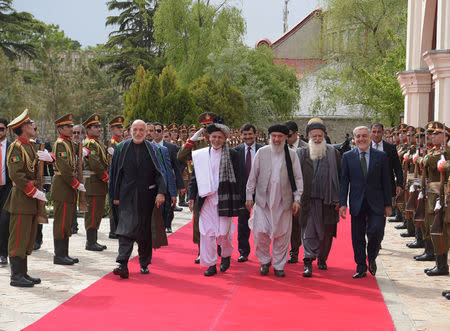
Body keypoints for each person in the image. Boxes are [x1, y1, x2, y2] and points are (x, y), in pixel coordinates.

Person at [109, 120, 167, 278]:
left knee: (144, 232)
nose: (139, 133)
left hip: (147, 196)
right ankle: (122, 264)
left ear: (147, 131)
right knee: (125, 230)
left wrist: (161, 192)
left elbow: (160, 172)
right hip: (126, 196)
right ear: (130, 131)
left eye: (142, 130)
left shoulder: (153, 149)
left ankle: (144, 263)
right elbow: (115, 174)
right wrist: (114, 196)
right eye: (135, 129)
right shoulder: (121, 148)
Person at [246, 124, 303, 277]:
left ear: (285, 138)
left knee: (283, 235)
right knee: (259, 233)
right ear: (270, 137)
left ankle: (279, 265)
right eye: (274, 136)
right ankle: (265, 261)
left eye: (280, 137)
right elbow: (253, 177)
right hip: (263, 202)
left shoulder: (292, 155)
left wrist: (297, 199)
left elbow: (298, 178)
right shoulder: (262, 152)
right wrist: (248, 196)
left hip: (283, 203)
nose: (276, 139)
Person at [188, 119, 240, 276]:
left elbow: (240, 177)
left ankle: (225, 255)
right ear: (209, 138)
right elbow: (194, 178)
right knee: (207, 234)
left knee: (223, 233)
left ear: (225, 138)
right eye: (213, 137)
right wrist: (191, 197)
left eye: (219, 137)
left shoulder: (233, 154)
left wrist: (243, 198)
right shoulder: (201, 155)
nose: (216, 140)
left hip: (225, 199)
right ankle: (211, 264)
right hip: (206, 200)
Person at [4, 109, 48, 287]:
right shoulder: (16, 147)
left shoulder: (30, 145)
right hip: (22, 198)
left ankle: (23, 272)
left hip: (30, 199)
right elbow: (17, 175)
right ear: (22, 128)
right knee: (19, 238)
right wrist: (33, 191)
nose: (33, 126)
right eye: (30, 124)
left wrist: (49, 157)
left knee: (28, 237)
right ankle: (16, 276)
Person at [340, 126, 391, 279]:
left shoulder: (381, 156)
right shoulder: (347, 157)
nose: (361, 139)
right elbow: (344, 182)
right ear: (353, 139)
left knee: (376, 231)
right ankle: (361, 266)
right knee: (357, 236)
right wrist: (343, 203)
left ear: (369, 137)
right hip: (357, 202)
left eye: (364, 136)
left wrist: (388, 204)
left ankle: (372, 256)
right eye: (358, 136)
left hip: (377, 202)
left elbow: (386, 182)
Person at [297, 119, 341, 277]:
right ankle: (307, 262)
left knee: (326, 233)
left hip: (328, 200)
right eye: (313, 136)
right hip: (308, 201)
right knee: (308, 232)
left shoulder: (333, 153)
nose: (316, 139)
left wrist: (339, 199)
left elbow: (340, 177)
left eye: (319, 136)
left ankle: (322, 259)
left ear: (325, 136)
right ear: (308, 136)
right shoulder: (301, 153)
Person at [178, 114, 213, 263]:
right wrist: (192, 139)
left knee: (216, 220)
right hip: (200, 185)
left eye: (209, 127)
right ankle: (201, 250)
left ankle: (216, 248)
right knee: (199, 219)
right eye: (204, 128)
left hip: (217, 185)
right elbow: (181, 156)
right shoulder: (198, 143)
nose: (207, 130)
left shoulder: (220, 140)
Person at [51, 114, 85, 265]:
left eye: (72, 126)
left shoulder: (69, 142)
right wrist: (76, 183)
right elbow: (64, 168)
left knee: (68, 220)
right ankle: (59, 255)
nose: (72, 129)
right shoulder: (60, 144)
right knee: (61, 221)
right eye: (68, 127)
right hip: (63, 185)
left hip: (69, 185)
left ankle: (64, 253)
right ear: (60, 128)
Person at [232, 123, 263, 262]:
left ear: (255, 134)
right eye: (245, 134)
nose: (248, 137)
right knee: (243, 224)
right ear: (241, 135)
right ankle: (243, 251)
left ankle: (262, 252)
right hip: (241, 194)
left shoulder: (263, 150)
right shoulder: (235, 151)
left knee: (261, 224)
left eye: (250, 134)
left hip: (261, 193)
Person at [82, 114, 109, 251]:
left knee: (97, 212)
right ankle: (90, 242)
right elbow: (95, 164)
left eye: (99, 126)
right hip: (93, 182)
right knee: (92, 212)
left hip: (98, 183)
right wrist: (106, 177)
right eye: (95, 127)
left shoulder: (97, 142)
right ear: (88, 129)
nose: (99, 129)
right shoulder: (90, 143)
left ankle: (94, 240)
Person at [153, 122, 185, 232]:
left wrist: (180, 185)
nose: (156, 133)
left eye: (158, 130)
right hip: (153, 182)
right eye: (154, 130)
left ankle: (167, 224)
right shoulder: (147, 146)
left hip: (168, 181)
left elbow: (176, 167)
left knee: (168, 206)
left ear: (162, 132)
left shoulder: (170, 147)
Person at [284, 120, 306, 264]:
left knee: (300, 223)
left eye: (289, 135)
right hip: (285, 191)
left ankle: (300, 252)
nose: (286, 139)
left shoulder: (307, 148)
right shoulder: (280, 147)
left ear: (297, 134)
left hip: (303, 191)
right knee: (288, 223)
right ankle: (289, 251)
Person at [107, 116, 124, 239]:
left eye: (121, 127)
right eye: (118, 127)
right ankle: (113, 230)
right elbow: (111, 163)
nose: (121, 129)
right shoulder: (112, 143)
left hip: (122, 177)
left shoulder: (120, 142)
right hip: (115, 177)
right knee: (114, 203)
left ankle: (119, 228)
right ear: (111, 129)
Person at [0, 118, 12, 265]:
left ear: (7, 130)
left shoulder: (12, 147)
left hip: (7, 188)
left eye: (1, 129)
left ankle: (3, 253)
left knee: (4, 221)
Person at [71, 124, 86, 234]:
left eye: (79, 133)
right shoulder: (68, 145)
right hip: (72, 178)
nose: (76, 135)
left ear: (83, 134)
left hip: (85, 178)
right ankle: (73, 225)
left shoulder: (86, 145)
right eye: (74, 132)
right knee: (72, 201)